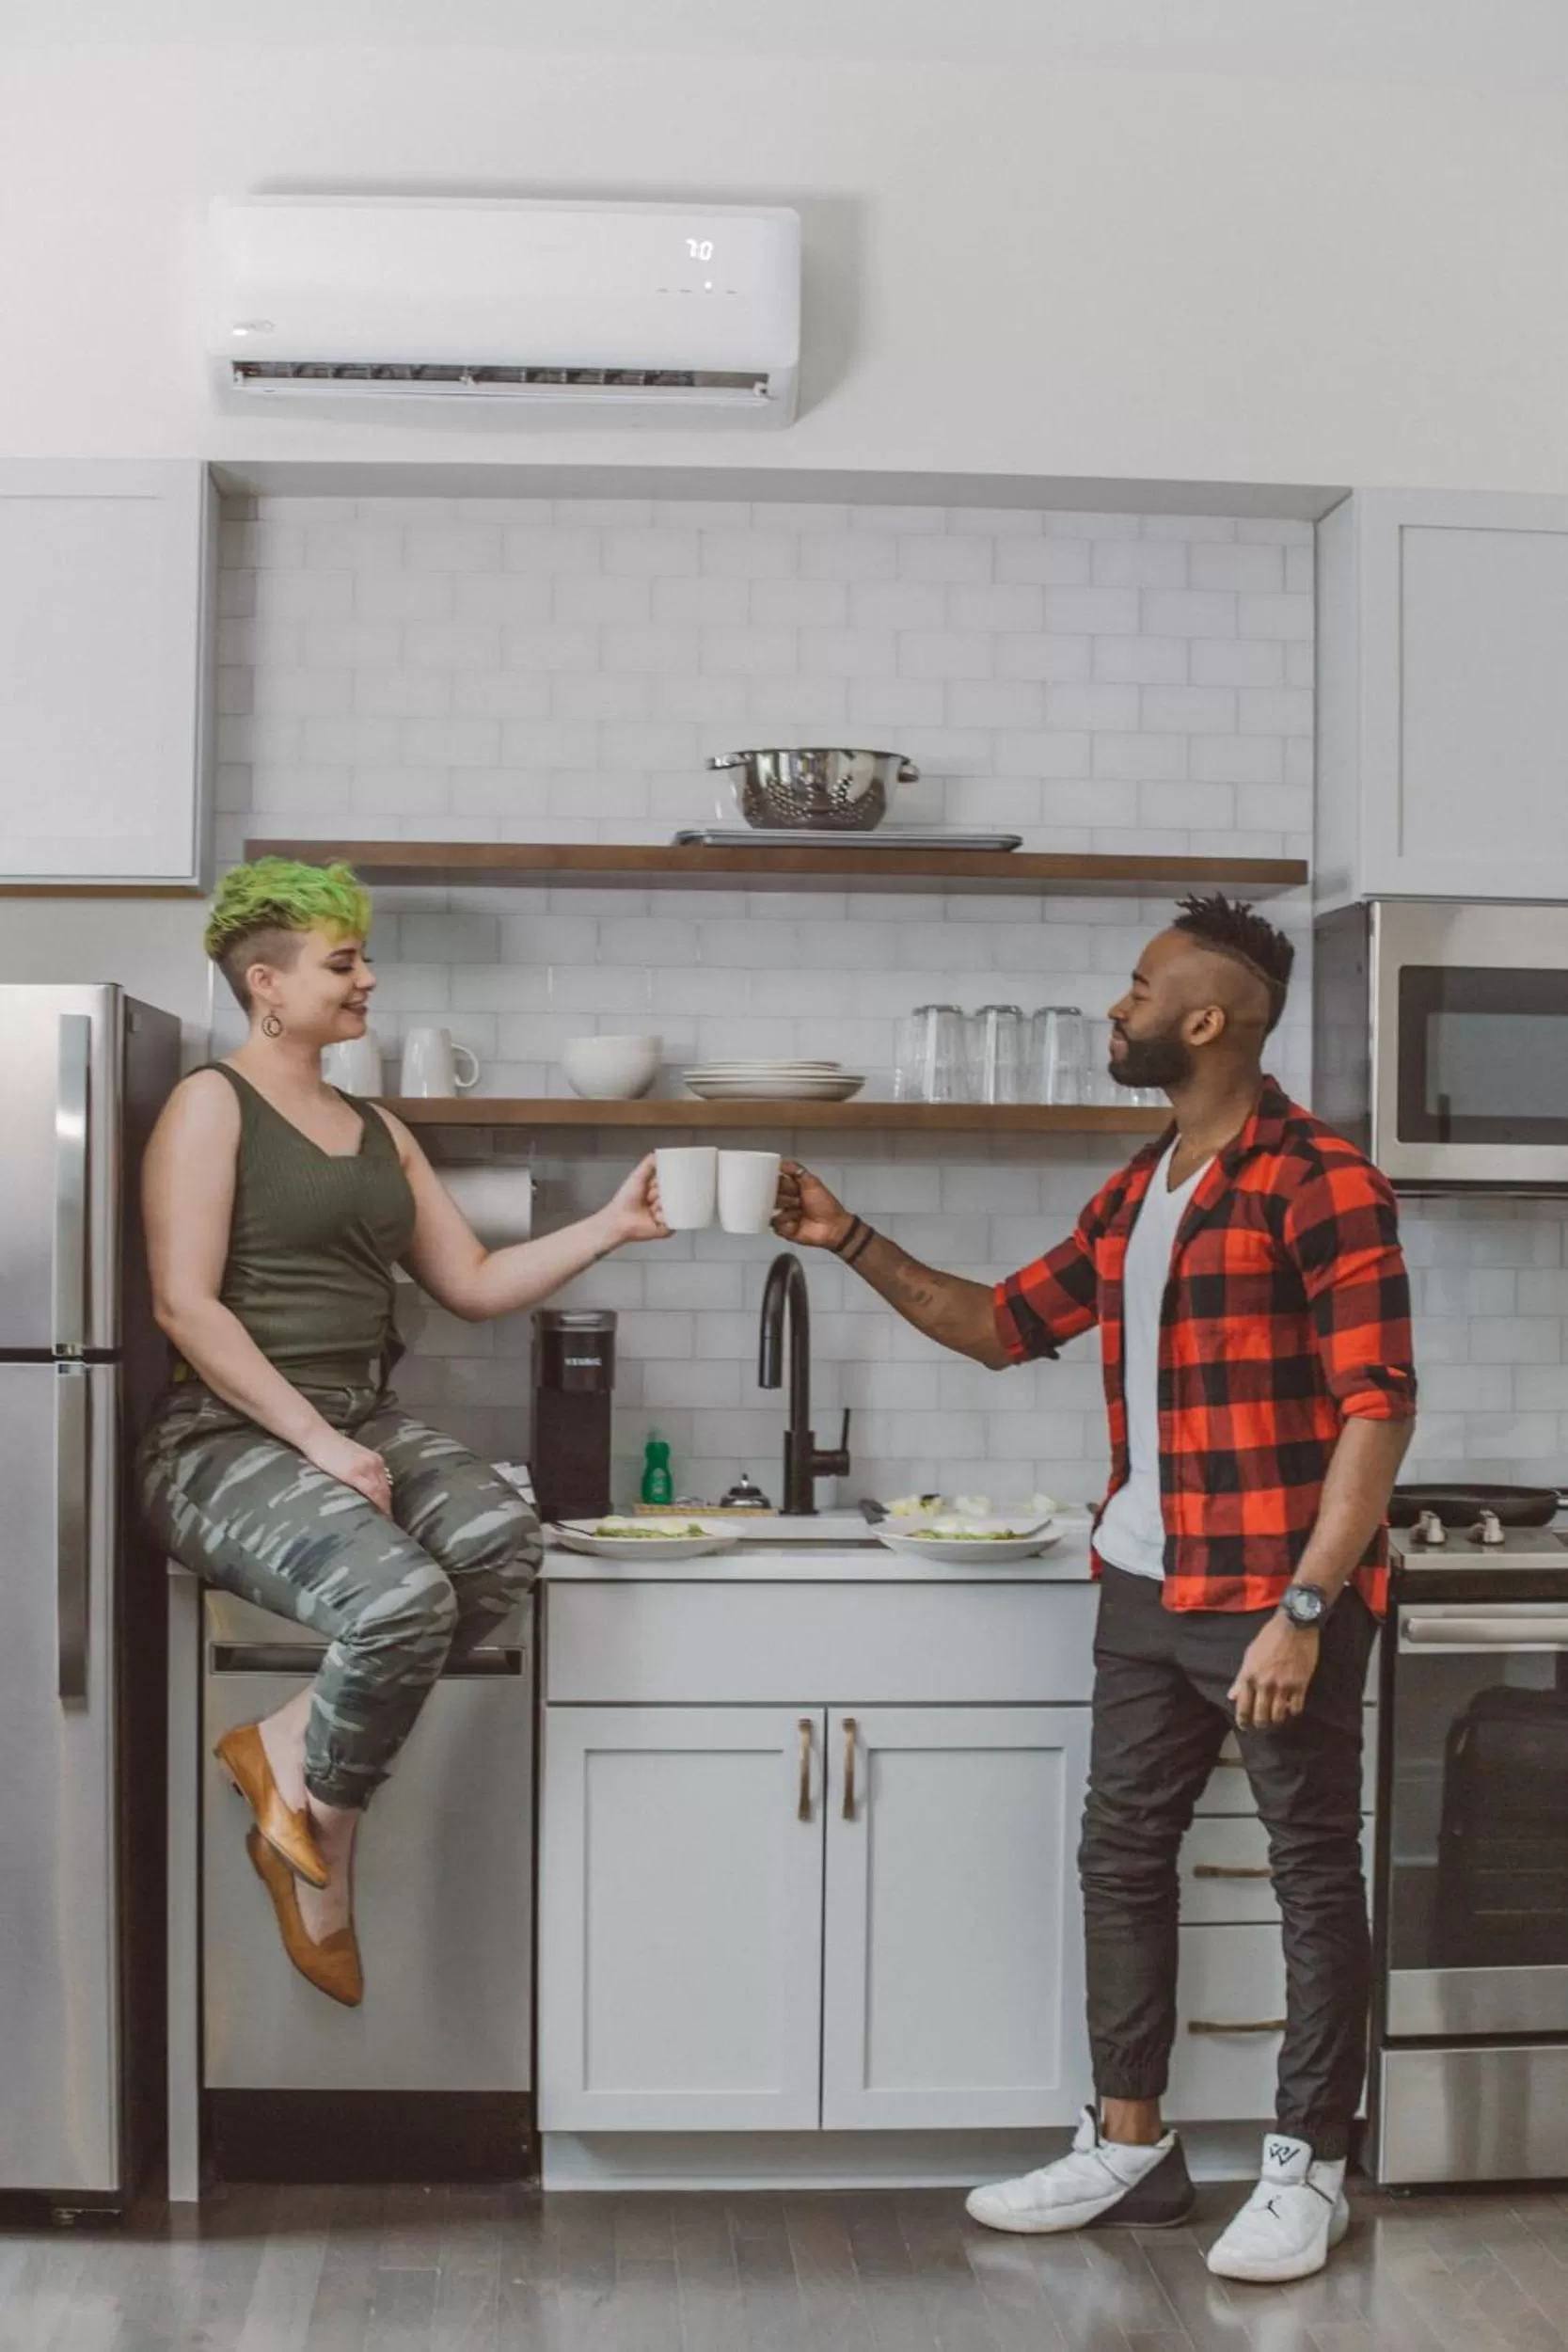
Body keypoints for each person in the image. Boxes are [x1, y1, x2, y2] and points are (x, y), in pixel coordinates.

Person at [774, 893, 1416, 2285]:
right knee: (1121, 1857)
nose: (1113, 1011)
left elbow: (1377, 1405)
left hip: (1273, 1593)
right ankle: (1130, 2146)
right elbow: (999, 1324)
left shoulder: (1319, 1178)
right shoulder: (1142, 1186)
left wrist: (1306, 1607)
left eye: (1136, 991)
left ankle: (1308, 2168)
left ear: (1206, 1020)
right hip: (1141, 1578)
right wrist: (845, 1235)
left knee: (1310, 1871)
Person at [137, 857, 669, 2006]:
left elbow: (470, 1280)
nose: (368, 979)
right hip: (219, 1436)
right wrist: (317, 1443)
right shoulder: (209, 1105)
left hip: (351, 1415)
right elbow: (186, 1305)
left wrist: (609, 1227)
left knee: (502, 1543)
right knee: (399, 1602)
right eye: (343, 963)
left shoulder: (376, 1126)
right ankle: (329, 1846)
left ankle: (289, 1755)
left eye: (363, 958)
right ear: (266, 983)